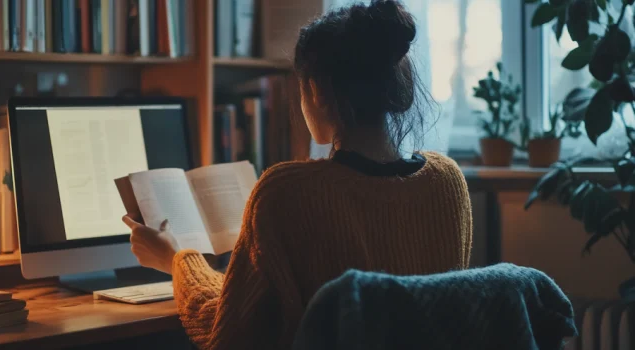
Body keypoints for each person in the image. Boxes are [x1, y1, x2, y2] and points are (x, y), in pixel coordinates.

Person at [122, 1, 473, 349]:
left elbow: (228, 332)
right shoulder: (448, 183)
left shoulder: (287, 193)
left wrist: (175, 260)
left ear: (317, 90)